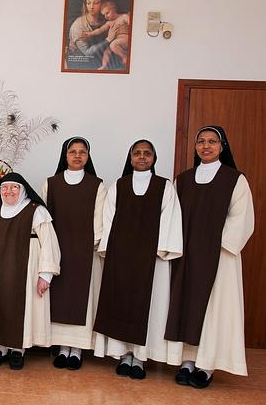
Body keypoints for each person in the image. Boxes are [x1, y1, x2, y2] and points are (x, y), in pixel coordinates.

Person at [165, 126, 254, 388]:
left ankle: (207, 366)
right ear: (195, 147)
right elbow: (172, 216)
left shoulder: (235, 179)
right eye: (201, 141)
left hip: (219, 256)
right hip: (187, 255)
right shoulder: (182, 179)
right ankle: (188, 362)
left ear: (222, 146)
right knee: (186, 305)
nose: (206, 146)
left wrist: (219, 244)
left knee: (214, 310)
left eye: (212, 141)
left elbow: (242, 217)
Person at [93, 139, 182, 380]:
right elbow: (108, 219)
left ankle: (140, 358)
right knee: (119, 302)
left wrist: (159, 250)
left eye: (147, 153)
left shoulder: (165, 187)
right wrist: (109, 250)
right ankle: (123, 355)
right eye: (137, 153)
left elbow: (170, 220)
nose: (142, 157)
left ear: (154, 158)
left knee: (149, 306)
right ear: (130, 158)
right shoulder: (118, 186)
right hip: (121, 258)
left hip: (151, 259)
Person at [0, 172, 61, 370]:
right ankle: (0, 348)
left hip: (24, 271)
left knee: (19, 307)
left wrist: (45, 275)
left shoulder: (36, 211)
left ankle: (18, 350)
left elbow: (50, 244)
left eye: (14, 187)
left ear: (23, 189)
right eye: (4, 188)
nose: (9, 192)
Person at [40, 137, 106, 370]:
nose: (77, 156)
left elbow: (99, 220)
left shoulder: (97, 185)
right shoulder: (51, 183)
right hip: (58, 248)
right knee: (59, 298)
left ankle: (76, 349)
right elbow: (46, 219)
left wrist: (92, 244)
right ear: (65, 156)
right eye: (72, 152)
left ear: (88, 157)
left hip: (85, 250)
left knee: (81, 298)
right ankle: (60, 347)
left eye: (82, 152)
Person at [65, 0, 109, 70]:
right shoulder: (78, 25)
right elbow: (87, 52)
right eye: (88, 3)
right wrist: (108, 40)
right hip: (81, 62)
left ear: (103, 4)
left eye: (96, 3)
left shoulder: (106, 20)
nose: (91, 7)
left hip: (100, 59)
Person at [81, 1, 130, 70]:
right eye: (104, 15)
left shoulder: (123, 17)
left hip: (126, 39)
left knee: (113, 45)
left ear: (114, 9)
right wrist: (90, 34)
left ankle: (125, 57)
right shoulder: (109, 23)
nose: (106, 16)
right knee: (107, 52)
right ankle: (104, 66)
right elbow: (100, 30)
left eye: (107, 13)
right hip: (116, 41)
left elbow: (133, 26)